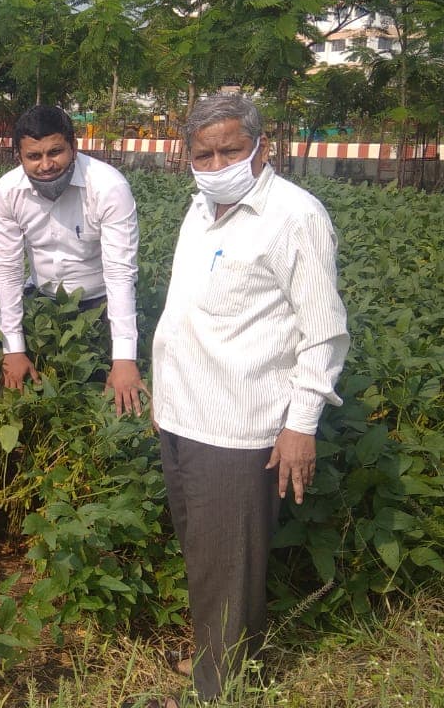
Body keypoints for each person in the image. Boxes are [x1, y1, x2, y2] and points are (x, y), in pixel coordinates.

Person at [141, 93, 349, 707]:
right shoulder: (199, 210)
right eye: (203, 155)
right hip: (182, 414)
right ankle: (219, 658)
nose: (216, 165)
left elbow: (323, 331)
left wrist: (300, 425)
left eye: (230, 151)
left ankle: (219, 692)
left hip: (237, 426)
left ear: (262, 147)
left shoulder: (294, 217)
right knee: (206, 556)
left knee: (229, 566)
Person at [0, 105, 145, 414]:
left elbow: (120, 273)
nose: (46, 165)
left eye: (55, 152)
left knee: (105, 403)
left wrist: (124, 358)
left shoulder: (108, 187)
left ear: (74, 146)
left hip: (100, 305)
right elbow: (7, 269)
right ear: (19, 157)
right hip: (42, 304)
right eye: (34, 156)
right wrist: (13, 347)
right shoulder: (8, 192)